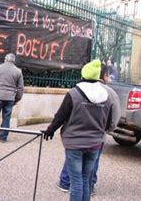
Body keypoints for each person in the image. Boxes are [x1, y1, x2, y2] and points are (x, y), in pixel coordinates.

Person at [43, 60, 118, 201]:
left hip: (74, 143)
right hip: (95, 143)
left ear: (83, 75)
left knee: (76, 180)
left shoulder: (73, 94)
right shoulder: (106, 96)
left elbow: (60, 116)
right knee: (86, 178)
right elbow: (108, 123)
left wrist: (50, 130)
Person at [0, 53, 24, 143]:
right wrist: (17, 98)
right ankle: (3, 137)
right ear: (13, 61)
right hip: (10, 98)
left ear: (5, 59)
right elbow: (21, 88)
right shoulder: (18, 71)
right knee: (6, 117)